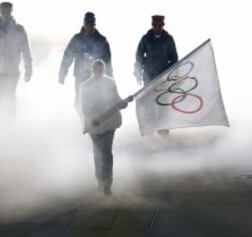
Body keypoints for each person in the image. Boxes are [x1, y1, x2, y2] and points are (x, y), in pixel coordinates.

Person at [79, 60, 130, 196]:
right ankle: (100, 182)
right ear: (92, 70)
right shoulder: (85, 86)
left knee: (106, 152)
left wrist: (124, 103)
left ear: (103, 70)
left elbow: (116, 99)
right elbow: (84, 107)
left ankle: (107, 184)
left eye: (101, 70)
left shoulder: (110, 82)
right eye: (96, 70)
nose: (99, 72)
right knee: (98, 153)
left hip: (109, 123)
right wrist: (92, 119)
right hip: (94, 124)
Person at [0, 2, 32, 113]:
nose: (5, 13)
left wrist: (29, 68)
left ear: (11, 11)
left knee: (10, 98)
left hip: (12, 70)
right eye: (3, 11)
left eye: (8, 11)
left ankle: (9, 124)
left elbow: (26, 50)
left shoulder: (19, 29)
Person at [134, 15, 178, 136]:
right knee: (149, 105)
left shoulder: (168, 39)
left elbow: (174, 58)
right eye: (155, 25)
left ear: (163, 25)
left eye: (160, 25)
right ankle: (150, 132)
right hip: (149, 78)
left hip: (163, 79)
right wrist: (139, 70)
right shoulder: (146, 39)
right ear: (152, 25)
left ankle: (163, 132)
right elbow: (139, 56)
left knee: (163, 105)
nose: (157, 27)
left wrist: (170, 73)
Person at [58, 12, 113, 100]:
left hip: (97, 77)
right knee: (79, 101)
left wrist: (110, 78)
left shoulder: (102, 40)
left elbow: (107, 61)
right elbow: (67, 57)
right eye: (88, 25)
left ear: (95, 25)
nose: (90, 27)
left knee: (96, 101)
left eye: (92, 25)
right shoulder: (77, 39)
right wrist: (62, 74)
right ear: (84, 25)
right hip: (80, 76)